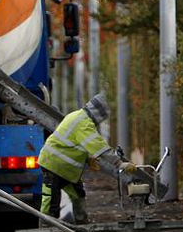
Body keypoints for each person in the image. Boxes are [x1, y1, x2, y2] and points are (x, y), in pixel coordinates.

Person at [37, 93, 134, 225]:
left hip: (63, 168)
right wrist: (119, 163)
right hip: (54, 165)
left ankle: (82, 226)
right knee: (51, 202)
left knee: (78, 195)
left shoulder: (77, 116)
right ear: (98, 114)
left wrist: (88, 159)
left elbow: (74, 143)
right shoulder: (84, 123)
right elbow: (97, 145)